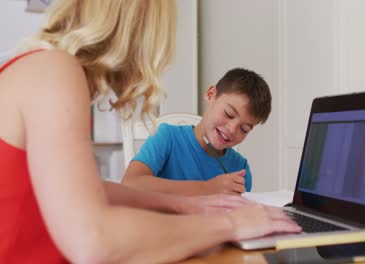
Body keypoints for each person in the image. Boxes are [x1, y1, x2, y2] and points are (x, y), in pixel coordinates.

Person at [0, 1, 301, 263]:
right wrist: (230, 225)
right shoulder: (55, 71)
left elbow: (90, 189)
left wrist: (185, 205)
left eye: (245, 128)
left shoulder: (44, 67)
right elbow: (93, 240)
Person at [122, 68, 271, 195]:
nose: (232, 129)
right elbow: (130, 184)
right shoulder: (168, 138)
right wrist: (207, 188)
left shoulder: (240, 168)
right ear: (211, 94)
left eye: (244, 129)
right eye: (228, 114)